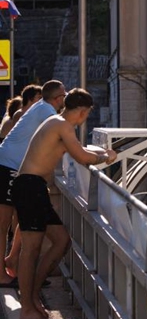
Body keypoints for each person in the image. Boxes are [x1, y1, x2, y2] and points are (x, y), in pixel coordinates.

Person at [11, 88, 116, 319]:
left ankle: (34, 296)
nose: (85, 118)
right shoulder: (62, 126)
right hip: (30, 187)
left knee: (61, 241)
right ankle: (27, 307)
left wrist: (97, 152)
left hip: (34, 188)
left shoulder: (57, 122)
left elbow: (79, 149)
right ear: (81, 111)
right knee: (31, 250)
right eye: (87, 114)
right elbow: (82, 157)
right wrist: (106, 157)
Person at [0, 80, 65, 287]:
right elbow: (63, 139)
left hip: (13, 167)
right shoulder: (47, 112)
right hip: (8, 166)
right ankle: (1, 275)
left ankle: (12, 261)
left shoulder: (41, 107)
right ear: (59, 98)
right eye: (64, 95)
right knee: (2, 225)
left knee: (23, 215)